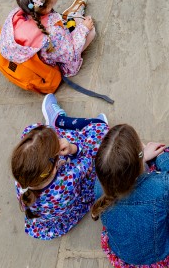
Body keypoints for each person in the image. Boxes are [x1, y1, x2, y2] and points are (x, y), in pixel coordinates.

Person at [91, 124, 169, 268]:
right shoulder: (160, 187)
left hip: (124, 253)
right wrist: (161, 156)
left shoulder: (99, 186)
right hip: (162, 249)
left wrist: (140, 157)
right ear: (139, 164)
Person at [10, 94, 108, 239]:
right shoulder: (68, 179)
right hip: (72, 202)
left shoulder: (23, 178)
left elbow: (31, 131)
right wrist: (73, 148)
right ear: (57, 163)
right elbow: (87, 158)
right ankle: (58, 121)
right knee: (101, 131)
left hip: (48, 223)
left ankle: (56, 121)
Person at [0, 0, 96, 79]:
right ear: (48, 6)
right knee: (91, 31)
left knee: (69, 29)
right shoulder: (53, 32)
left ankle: (69, 18)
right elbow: (69, 53)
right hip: (56, 65)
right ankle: (72, 16)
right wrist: (83, 29)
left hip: (31, 59)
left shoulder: (18, 13)